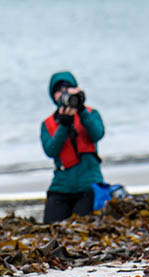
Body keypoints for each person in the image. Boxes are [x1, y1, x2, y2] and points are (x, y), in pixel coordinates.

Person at [40, 71, 105, 224]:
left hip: (89, 185)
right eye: (58, 90)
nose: (63, 92)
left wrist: (81, 110)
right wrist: (64, 125)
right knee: (50, 230)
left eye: (68, 87)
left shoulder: (90, 113)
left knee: (83, 226)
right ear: (53, 96)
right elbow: (51, 150)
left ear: (76, 89)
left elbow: (97, 134)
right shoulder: (48, 124)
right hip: (61, 187)